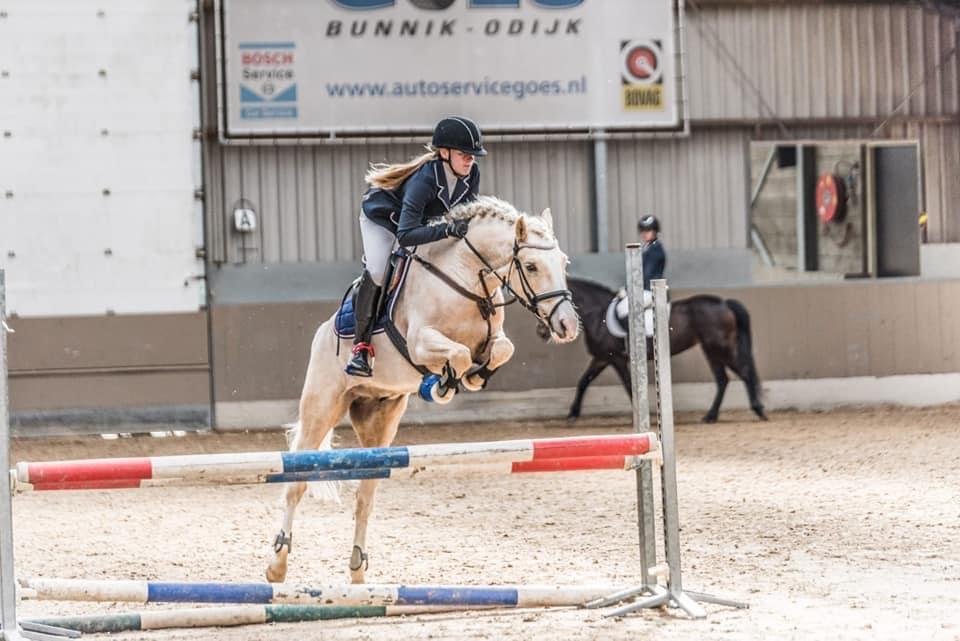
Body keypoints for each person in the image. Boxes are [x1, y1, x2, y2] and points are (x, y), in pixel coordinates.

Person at [345, 116, 487, 377]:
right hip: (383, 219)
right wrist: (446, 230)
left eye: (473, 155)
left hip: (417, 222)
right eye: (464, 154)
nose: (470, 159)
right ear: (444, 153)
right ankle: (361, 348)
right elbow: (407, 234)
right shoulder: (424, 179)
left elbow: (465, 216)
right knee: (378, 270)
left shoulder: (471, 175)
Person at [608, 215, 667, 338]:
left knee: (622, 309)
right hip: (643, 289)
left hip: (648, 290)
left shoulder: (655, 251)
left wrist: (628, 290)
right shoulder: (648, 248)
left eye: (648, 231)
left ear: (655, 231)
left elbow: (645, 274)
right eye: (643, 231)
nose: (645, 234)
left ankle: (638, 339)